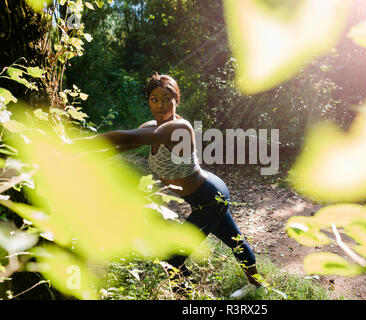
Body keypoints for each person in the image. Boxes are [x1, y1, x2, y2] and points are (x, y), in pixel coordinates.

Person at [82, 73, 263, 297]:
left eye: (167, 98)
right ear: (147, 100)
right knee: (233, 240)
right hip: (202, 197)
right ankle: (257, 286)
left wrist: (72, 142)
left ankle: (191, 296)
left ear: (177, 99)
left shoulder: (178, 128)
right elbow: (122, 147)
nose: (161, 105)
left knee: (173, 258)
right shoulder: (150, 126)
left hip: (210, 197)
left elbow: (125, 138)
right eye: (154, 99)